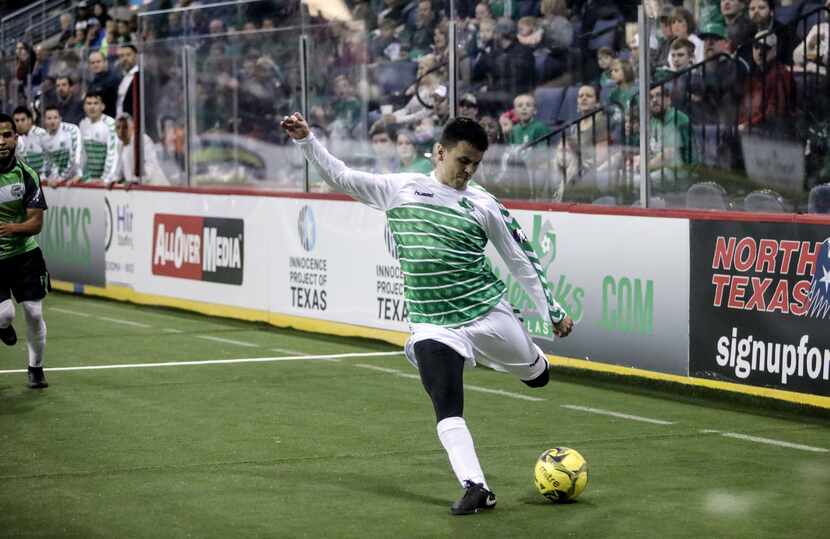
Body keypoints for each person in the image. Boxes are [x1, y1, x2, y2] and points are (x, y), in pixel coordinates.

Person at [281, 111, 574, 515]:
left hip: (487, 313)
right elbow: (343, 178)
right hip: (434, 323)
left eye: (475, 164)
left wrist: (552, 310)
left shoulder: (483, 204)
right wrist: (307, 141)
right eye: (462, 161)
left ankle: (530, 361)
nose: (468, 171)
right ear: (439, 152)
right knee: (445, 400)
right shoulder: (401, 189)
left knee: (537, 377)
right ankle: (476, 487)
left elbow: (520, 258)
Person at [0, 112, 50, 389]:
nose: (1, 141)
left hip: (25, 256)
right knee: (4, 315)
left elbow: (36, 223)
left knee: (33, 312)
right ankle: (4, 327)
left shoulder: (27, 174)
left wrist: (13, 229)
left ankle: (36, 367)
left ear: (16, 138)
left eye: (7, 135)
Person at [114, 113, 169, 186]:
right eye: (118, 127)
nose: (121, 131)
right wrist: (114, 180)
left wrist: (135, 181)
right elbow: (119, 170)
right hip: (136, 190)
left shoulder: (143, 140)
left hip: (157, 187)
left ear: (132, 127)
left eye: (125, 127)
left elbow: (151, 165)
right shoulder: (120, 145)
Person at [79, 92, 119, 184]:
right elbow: (82, 155)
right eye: (89, 103)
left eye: (96, 103)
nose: (92, 107)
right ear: (84, 107)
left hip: (105, 181)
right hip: (89, 180)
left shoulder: (111, 124)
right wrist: (84, 177)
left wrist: (105, 179)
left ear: (103, 106)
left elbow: (112, 154)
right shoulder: (82, 124)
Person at [41, 106, 83, 186]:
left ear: (60, 118)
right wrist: (47, 179)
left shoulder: (72, 130)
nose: (52, 121)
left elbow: (74, 159)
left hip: (78, 178)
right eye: (49, 118)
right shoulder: (44, 138)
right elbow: (48, 163)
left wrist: (60, 179)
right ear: (44, 120)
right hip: (61, 181)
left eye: (55, 117)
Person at [13, 106, 48, 177]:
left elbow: (50, 159)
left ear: (30, 120)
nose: (19, 124)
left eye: (23, 120)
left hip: (45, 180)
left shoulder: (41, 134)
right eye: (16, 120)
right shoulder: (15, 139)